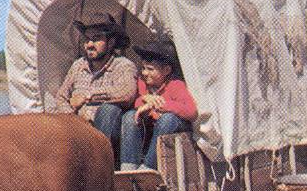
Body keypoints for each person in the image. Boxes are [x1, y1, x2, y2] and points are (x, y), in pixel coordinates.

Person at [53, 12, 138, 156]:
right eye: (87, 39)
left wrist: (88, 96)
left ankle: (99, 160)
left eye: (96, 39)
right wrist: (72, 117)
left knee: (109, 110)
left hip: (110, 134)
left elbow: (127, 93)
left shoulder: (123, 66)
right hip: (78, 129)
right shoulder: (78, 65)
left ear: (110, 42)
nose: (89, 44)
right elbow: (61, 97)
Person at [120, 36, 198, 172]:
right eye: (143, 68)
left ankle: (149, 167)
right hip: (150, 129)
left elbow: (191, 112)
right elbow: (137, 101)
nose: (145, 73)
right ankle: (129, 166)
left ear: (166, 70)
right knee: (129, 116)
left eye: (150, 69)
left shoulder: (176, 85)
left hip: (169, 127)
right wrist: (145, 100)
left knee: (168, 119)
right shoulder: (142, 83)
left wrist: (161, 105)